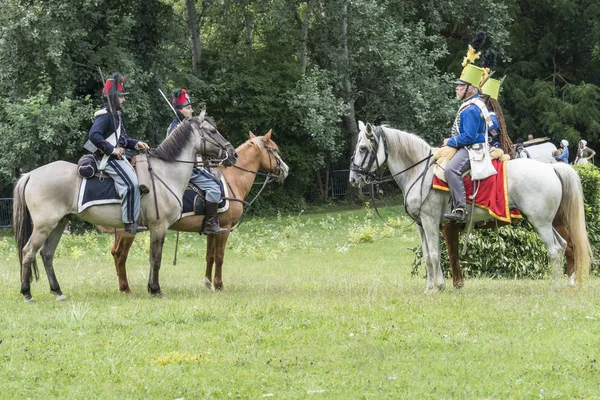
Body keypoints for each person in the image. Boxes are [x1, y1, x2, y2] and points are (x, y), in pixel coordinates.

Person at [84, 73, 150, 235]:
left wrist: (136, 143)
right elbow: (94, 136)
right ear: (113, 98)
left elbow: (123, 139)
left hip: (115, 156)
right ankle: (129, 221)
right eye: (120, 97)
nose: (123, 100)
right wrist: (112, 150)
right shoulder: (105, 115)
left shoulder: (116, 116)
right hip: (107, 158)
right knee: (131, 184)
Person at [168, 88, 228, 235]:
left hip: (190, 167)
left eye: (191, 108)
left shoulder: (184, 125)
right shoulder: (177, 128)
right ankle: (210, 223)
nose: (191, 110)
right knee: (215, 187)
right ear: (180, 110)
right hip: (184, 171)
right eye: (188, 108)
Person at [443, 34, 489, 223]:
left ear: (469, 88)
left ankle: (460, 208)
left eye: (460, 86)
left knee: (450, 170)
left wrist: (450, 141)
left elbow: (469, 136)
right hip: (469, 147)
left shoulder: (470, 108)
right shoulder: (470, 104)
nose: (457, 89)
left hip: (472, 149)